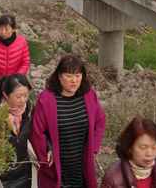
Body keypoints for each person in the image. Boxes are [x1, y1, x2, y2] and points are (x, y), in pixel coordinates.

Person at [31, 55, 106, 188]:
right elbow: (37, 132)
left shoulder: (89, 95)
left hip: (82, 162)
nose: (74, 81)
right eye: (69, 76)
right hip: (57, 165)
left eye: (78, 75)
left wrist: (93, 148)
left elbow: (100, 121)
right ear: (59, 77)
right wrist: (45, 153)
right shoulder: (46, 99)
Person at [0, 74, 35, 188]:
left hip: (24, 170)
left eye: (26, 95)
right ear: (6, 95)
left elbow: (38, 133)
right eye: (18, 96)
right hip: (3, 174)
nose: (23, 100)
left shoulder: (28, 110)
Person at [101, 117, 156, 188]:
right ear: (130, 148)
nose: (149, 154)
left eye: (154, 147)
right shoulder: (113, 178)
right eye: (143, 147)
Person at [0, 14, 31, 101]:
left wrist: (14, 80)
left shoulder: (22, 42)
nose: (3, 32)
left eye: (6, 29)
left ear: (13, 29)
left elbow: (25, 62)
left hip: (14, 88)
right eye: (0, 28)